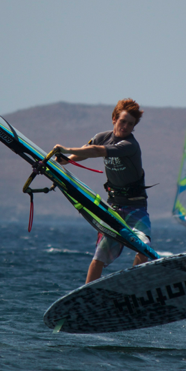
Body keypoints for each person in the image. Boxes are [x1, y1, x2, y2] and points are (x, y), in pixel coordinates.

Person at [52, 98, 151, 284]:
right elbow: (84, 151)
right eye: (122, 121)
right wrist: (67, 159)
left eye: (130, 124)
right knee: (100, 255)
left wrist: (66, 149)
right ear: (114, 119)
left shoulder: (130, 145)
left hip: (136, 207)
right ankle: (87, 292)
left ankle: (134, 285)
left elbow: (96, 151)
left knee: (143, 247)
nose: (125, 126)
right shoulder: (102, 136)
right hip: (114, 208)